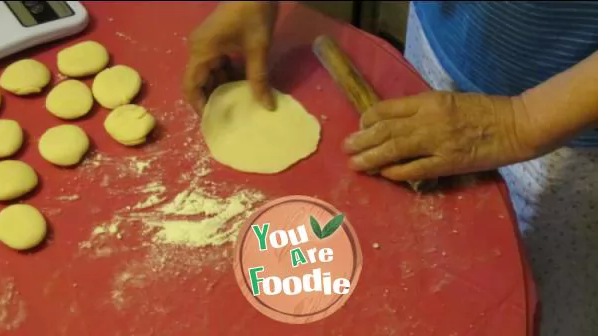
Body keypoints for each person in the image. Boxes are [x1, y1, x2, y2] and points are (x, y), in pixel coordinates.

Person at [183, 2, 598, 334]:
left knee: (543, 302)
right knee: (437, 263)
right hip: (440, 48)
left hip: (570, 137)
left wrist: (520, 121)